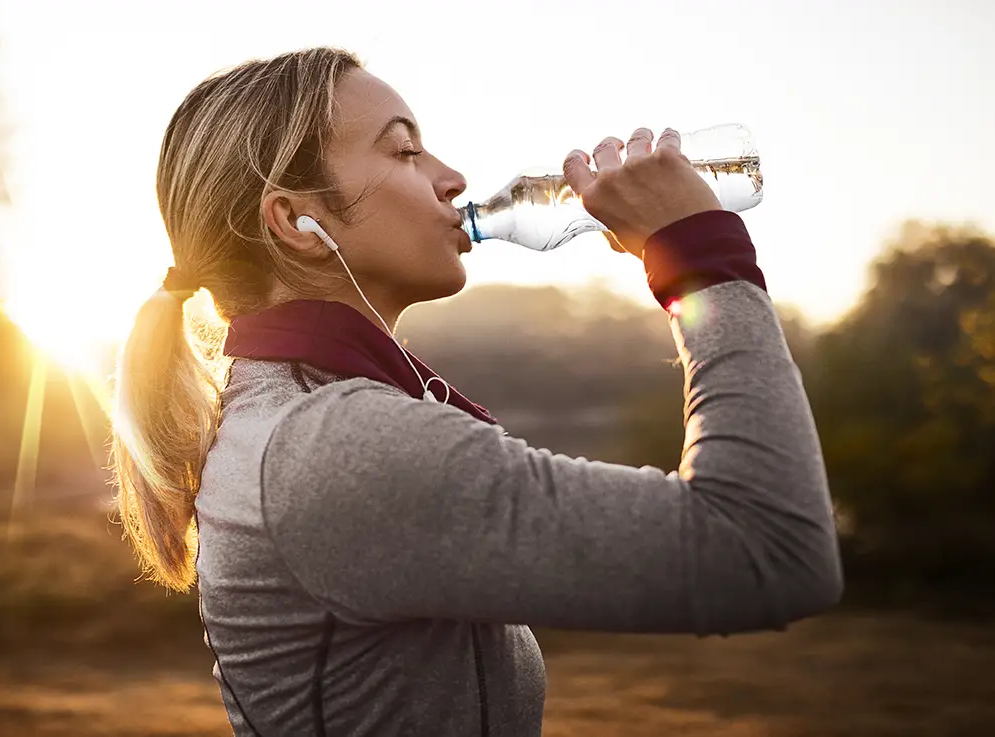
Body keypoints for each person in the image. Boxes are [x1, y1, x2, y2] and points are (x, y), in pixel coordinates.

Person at [110, 47, 842, 737]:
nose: (452, 176)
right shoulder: (334, 444)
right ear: (298, 222)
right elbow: (767, 547)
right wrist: (697, 251)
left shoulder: (302, 417)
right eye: (403, 150)